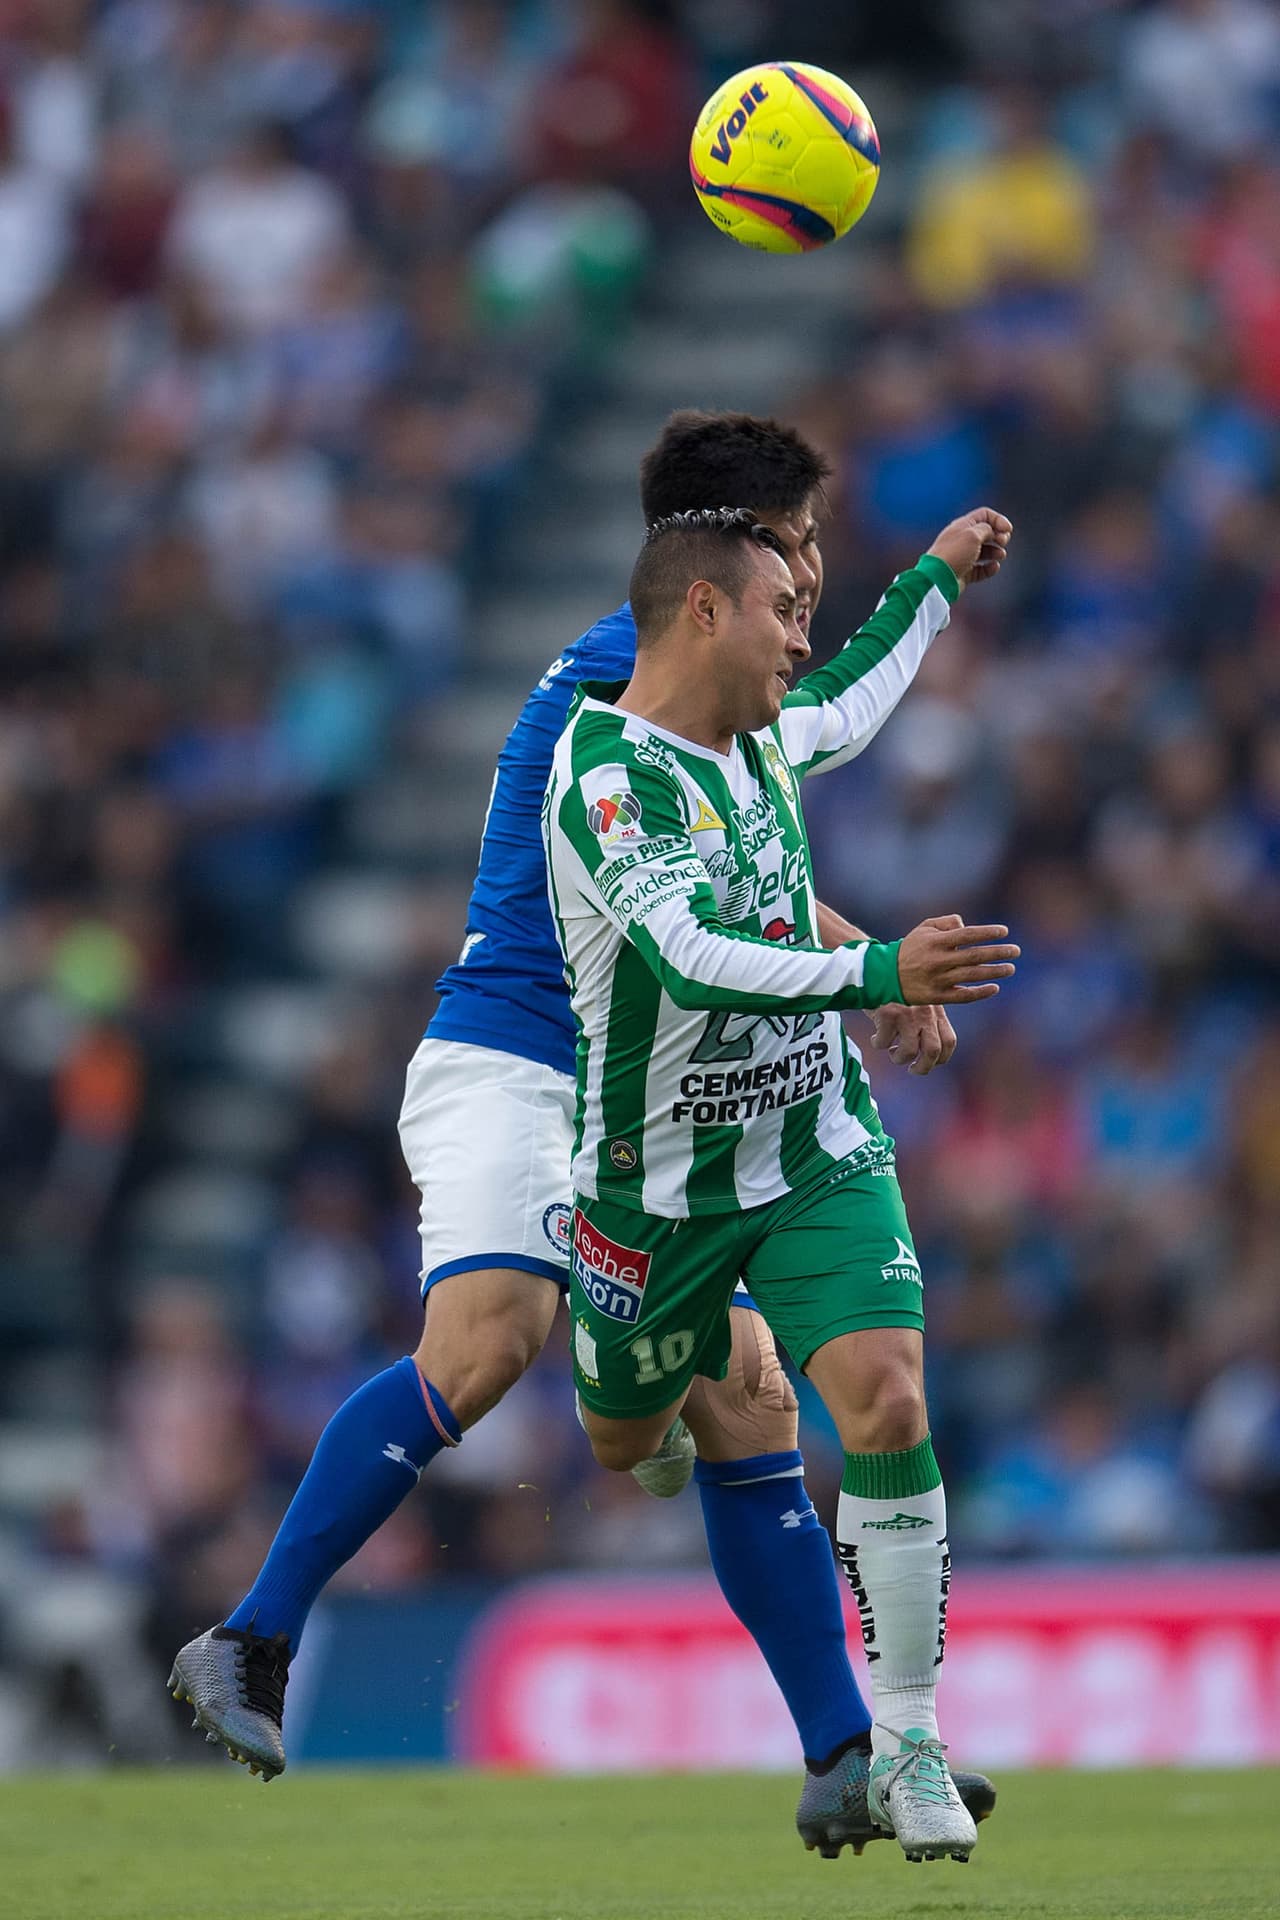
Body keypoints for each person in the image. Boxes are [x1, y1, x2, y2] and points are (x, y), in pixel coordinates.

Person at [169, 412, 996, 1856]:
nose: (812, 582)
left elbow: (750, 832)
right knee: (494, 1337)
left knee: (750, 1396)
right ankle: (250, 1639)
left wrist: (862, 955)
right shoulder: (617, 689)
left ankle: (844, 1751)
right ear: (730, 555)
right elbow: (672, 891)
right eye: (801, 544)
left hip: (669, 1088)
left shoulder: (706, 660)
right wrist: (872, 966)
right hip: (521, 1054)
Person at [544, 504, 1015, 1863]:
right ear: (702, 612)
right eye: (779, 612)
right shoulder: (608, 776)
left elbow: (860, 688)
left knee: (888, 1394)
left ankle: (909, 1741)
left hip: (813, 1149)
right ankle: (666, 1403)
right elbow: (688, 953)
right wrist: (880, 973)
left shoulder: (768, 739)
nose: (801, 634)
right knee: (623, 1441)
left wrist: (935, 575)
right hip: (656, 1191)